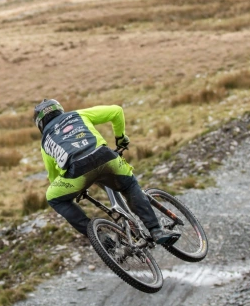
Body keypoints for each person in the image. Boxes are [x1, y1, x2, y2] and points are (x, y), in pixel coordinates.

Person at [33, 99, 180, 245]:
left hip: (77, 172)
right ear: (60, 109)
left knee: (53, 197)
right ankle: (156, 230)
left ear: (40, 124)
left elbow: (53, 176)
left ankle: (100, 238)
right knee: (129, 187)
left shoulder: (46, 141)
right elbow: (116, 111)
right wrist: (120, 138)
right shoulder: (77, 115)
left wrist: (73, 190)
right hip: (106, 158)